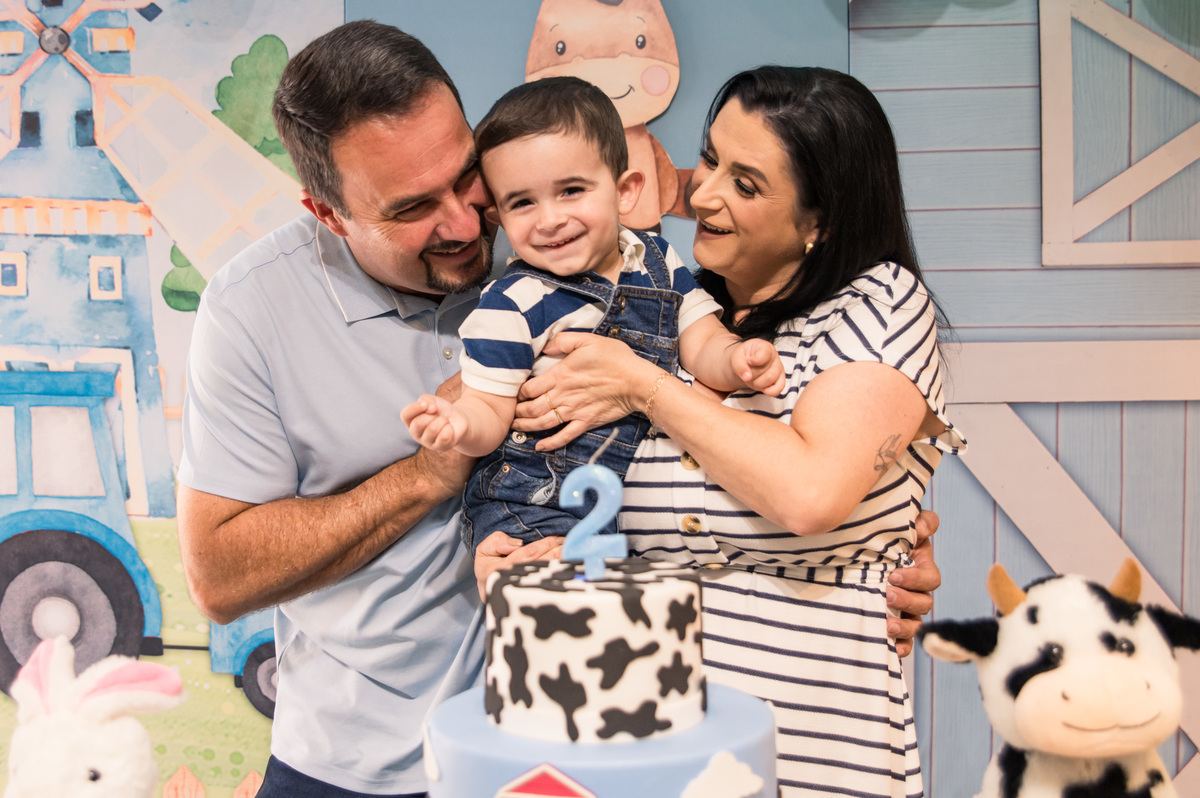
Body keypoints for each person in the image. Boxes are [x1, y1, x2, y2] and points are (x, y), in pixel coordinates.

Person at [175, 19, 940, 797]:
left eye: (467, 179)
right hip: (369, 762)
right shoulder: (255, 309)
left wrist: (877, 541)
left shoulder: (577, 246)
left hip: (587, 744)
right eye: (413, 209)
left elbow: (759, 467)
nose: (469, 223)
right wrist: (428, 474)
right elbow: (218, 576)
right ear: (328, 212)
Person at [479, 66, 967, 797]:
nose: (701, 193)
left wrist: (643, 386)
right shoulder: (655, 305)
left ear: (819, 220)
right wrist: (519, 544)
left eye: (746, 183)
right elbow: (538, 443)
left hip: (812, 741)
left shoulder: (878, 302)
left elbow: (810, 494)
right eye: (709, 158)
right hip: (649, 743)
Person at [402, 76, 784, 552]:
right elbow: (489, 410)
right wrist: (459, 426)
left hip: (629, 508)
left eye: (571, 191)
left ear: (625, 191)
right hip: (533, 503)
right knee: (561, 608)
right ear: (498, 216)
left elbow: (702, 339)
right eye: (522, 202)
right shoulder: (512, 303)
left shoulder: (658, 261)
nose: (549, 218)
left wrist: (737, 358)